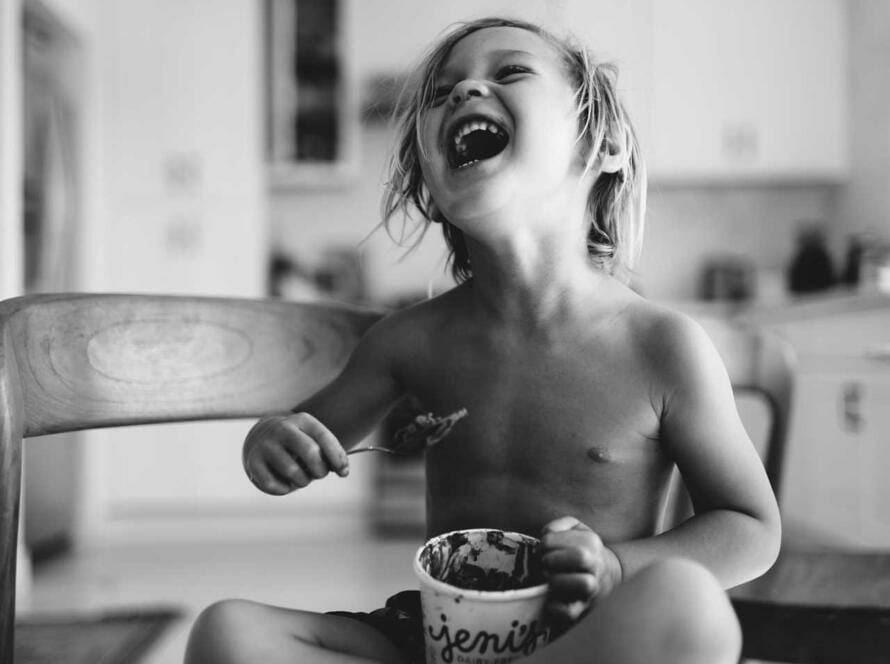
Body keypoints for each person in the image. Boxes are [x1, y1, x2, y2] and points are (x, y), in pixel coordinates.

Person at [185, 16, 780, 664]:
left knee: (691, 607)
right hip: (436, 636)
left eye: (510, 72)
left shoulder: (662, 346)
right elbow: (311, 435)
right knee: (229, 633)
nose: (466, 93)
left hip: (586, 633)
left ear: (600, 143)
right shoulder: (410, 340)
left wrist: (614, 567)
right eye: (443, 92)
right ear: (434, 188)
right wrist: (268, 445)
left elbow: (751, 528)